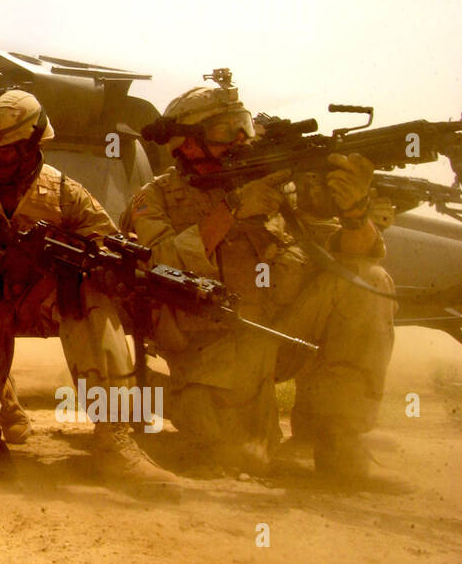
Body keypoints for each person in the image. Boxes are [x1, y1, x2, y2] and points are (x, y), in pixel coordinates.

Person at [121, 71, 393, 479]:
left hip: (280, 336)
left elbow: (343, 257)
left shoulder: (274, 189)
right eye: (224, 130)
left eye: (243, 126)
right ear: (186, 143)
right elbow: (158, 263)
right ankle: (157, 399)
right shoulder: (155, 198)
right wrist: (231, 211)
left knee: (371, 281)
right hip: (213, 349)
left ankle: (338, 434)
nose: (240, 139)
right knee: (239, 461)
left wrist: (356, 213)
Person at [0, 85, 175, 484]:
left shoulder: (64, 193)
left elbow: (103, 237)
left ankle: (114, 437)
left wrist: (114, 265)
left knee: (90, 298)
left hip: (42, 300)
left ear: (32, 144)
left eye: (4, 152)